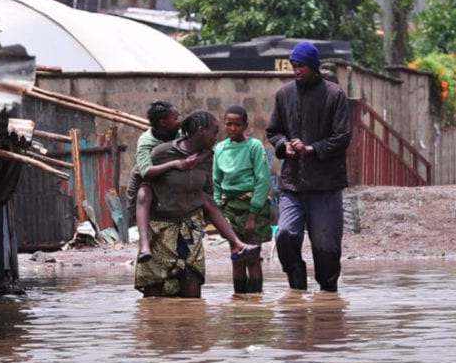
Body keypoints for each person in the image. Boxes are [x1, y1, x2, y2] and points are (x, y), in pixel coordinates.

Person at [135, 111, 257, 298]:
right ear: (201, 131)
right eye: (214, 133)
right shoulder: (163, 153)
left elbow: (208, 194)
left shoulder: (207, 158)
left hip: (189, 229)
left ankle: (236, 244)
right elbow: (141, 183)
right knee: (154, 295)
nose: (217, 138)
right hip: (160, 229)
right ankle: (144, 245)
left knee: (192, 291)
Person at [266, 41, 352, 292]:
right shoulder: (284, 95)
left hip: (326, 185)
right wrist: (284, 145)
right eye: (294, 65)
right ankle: (296, 288)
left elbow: (342, 137)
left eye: (301, 65)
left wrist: (312, 148)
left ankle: (327, 297)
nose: (297, 70)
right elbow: (273, 131)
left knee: (326, 246)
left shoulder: (334, 95)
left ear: (313, 66)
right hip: (293, 183)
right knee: (286, 234)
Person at [126, 101, 198, 263]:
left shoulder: (181, 134)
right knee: (143, 195)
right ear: (163, 122)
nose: (180, 119)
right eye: (175, 117)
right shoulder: (147, 140)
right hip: (150, 178)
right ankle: (145, 244)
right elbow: (145, 171)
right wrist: (174, 164)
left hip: (174, 179)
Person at [213, 105, 273, 294]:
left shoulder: (254, 146)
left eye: (237, 125)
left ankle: (255, 304)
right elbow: (216, 182)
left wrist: (252, 215)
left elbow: (263, 180)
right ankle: (238, 302)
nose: (232, 128)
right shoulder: (219, 149)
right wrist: (218, 213)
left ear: (245, 126)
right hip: (229, 208)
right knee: (237, 257)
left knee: (253, 257)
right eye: (228, 124)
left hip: (252, 207)